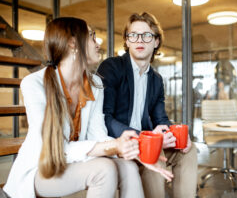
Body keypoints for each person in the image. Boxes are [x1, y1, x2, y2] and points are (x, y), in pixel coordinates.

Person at [3, 17, 172, 198]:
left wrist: (133, 152)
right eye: (92, 37)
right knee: (104, 169)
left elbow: (97, 134)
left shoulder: (95, 84)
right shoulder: (33, 84)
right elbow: (56, 148)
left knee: (128, 167)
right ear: (73, 43)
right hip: (41, 169)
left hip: (75, 163)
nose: (97, 43)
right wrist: (115, 145)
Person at [98, 12, 198, 198]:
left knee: (189, 150)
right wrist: (144, 137)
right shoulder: (112, 67)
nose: (139, 40)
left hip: (146, 142)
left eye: (146, 35)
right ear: (127, 42)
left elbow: (160, 119)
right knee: (153, 150)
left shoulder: (156, 80)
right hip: (119, 144)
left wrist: (175, 136)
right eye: (133, 35)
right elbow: (105, 118)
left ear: (156, 42)